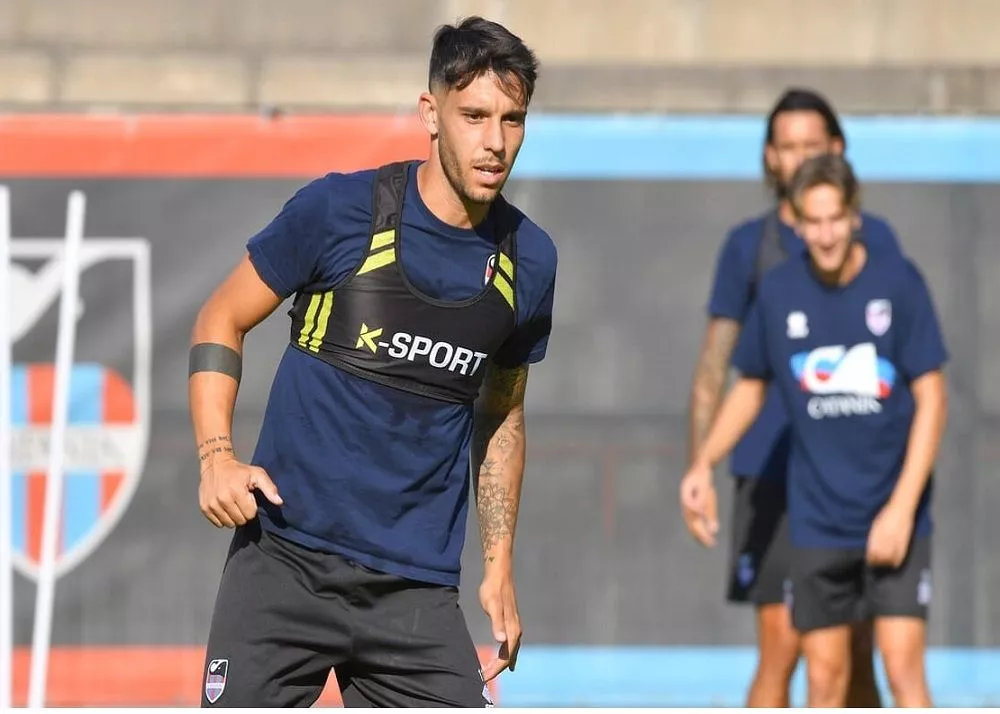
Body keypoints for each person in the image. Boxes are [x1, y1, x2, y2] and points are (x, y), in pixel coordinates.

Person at [187, 16, 557, 708]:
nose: (495, 141)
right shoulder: (338, 211)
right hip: (284, 565)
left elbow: (503, 411)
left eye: (513, 119)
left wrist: (498, 566)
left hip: (413, 591)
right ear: (431, 114)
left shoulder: (528, 261)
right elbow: (220, 318)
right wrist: (216, 454)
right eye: (474, 115)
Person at [682, 153, 946, 707]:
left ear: (854, 216)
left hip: (895, 516)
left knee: (902, 670)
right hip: (818, 522)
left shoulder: (898, 282)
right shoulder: (779, 293)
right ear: (796, 223)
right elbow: (750, 387)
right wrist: (704, 463)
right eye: (813, 221)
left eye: (835, 219)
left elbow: (932, 397)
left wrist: (900, 509)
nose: (825, 235)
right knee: (824, 678)